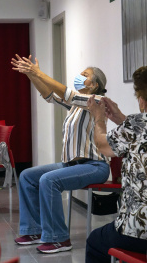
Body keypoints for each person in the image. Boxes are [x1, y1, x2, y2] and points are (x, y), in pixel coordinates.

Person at [11, 54, 110, 254]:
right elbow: (50, 96)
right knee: (27, 176)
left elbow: (67, 93)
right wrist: (32, 75)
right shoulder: (76, 106)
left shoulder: (97, 101)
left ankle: (59, 238)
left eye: (85, 75)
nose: (80, 76)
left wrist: (38, 72)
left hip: (94, 166)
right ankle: (33, 230)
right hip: (71, 165)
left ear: (95, 85)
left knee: (49, 180)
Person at [86, 66, 147, 262]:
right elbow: (137, 135)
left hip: (139, 231)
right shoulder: (135, 126)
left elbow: (103, 146)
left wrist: (99, 118)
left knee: (95, 241)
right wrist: (120, 118)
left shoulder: (138, 124)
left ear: (142, 100)